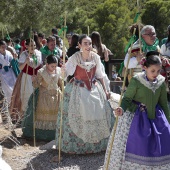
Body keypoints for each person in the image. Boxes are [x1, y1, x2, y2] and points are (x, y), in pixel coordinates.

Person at [104, 51, 170, 169]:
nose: (156, 74)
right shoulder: (136, 80)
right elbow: (127, 98)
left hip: (156, 117)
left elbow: (163, 104)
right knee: (140, 143)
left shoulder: (160, 82)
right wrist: (121, 109)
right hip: (137, 116)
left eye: (158, 71)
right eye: (153, 71)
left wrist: (168, 120)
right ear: (145, 68)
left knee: (163, 139)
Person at [55, 34, 114, 154]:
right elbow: (66, 73)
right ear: (79, 45)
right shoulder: (75, 57)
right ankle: (80, 146)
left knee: (99, 112)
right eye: (85, 43)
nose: (88, 46)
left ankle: (98, 145)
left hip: (94, 88)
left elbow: (100, 75)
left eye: (90, 43)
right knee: (78, 113)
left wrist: (106, 90)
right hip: (78, 88)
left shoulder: (96, 57)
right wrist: (63, 70)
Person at [22, 55, 62, 141]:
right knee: (44, 116)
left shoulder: (58, 70)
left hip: (56, 96)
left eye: (55, 66)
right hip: (44, 97)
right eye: (52, 66)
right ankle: (42, 136)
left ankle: (55, 134)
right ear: (47, 64)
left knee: (55, 116)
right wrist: (34, 80)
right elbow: (36, 85)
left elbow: (60, 82)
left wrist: (63, 91)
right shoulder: (41, 72)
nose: (54, 68)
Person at [10, 39, 42, 121]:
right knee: (25, 96)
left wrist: (30, 61)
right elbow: (20, 67)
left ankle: (35, 117)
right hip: (26, 77)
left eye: (34, 45)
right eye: (31, 45)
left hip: (36, 77)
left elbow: (36, 64)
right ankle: (25, 118)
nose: (33, 47)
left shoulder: (38, 53)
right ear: (26, 46)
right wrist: (25, 62)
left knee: (36, 96)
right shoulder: (24, 54)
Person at [0, 40, 16, 124]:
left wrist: (14, 57)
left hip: (10, 73)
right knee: (4, 93)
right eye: (2, 47)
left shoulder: (8, 53)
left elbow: (13, 61)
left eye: (5, 47)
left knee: (12, 91)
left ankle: (12, 113)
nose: (4, 48)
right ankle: (6, 116)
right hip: (1, 75)